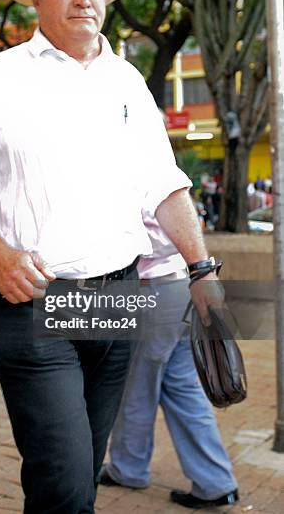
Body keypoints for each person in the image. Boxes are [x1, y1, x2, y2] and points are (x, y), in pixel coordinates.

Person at [0, 0, 223, 514]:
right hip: (34, 299)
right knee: (62, 482)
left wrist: (203, 271)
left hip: (119, 296)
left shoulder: (128, 79)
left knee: (81, 467)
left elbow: (164, 184)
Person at [98, 212, 239, 509]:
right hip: (185, 287)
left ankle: (128, 469)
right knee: (185, 390)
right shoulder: (171, 179)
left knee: (136, 390)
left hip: (152, 290)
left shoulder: (136, 179)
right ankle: (216, 483)